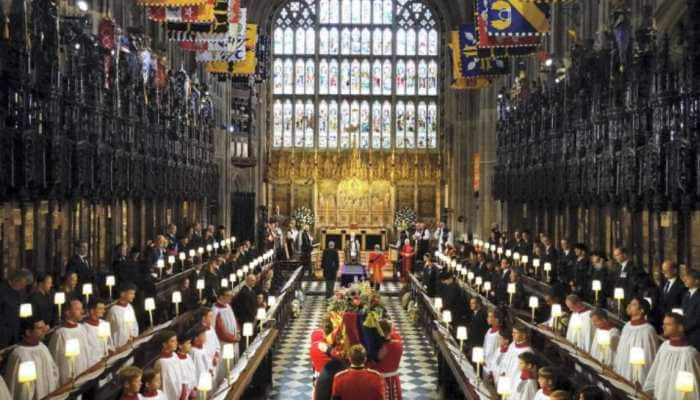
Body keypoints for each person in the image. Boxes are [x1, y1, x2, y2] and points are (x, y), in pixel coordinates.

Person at [643, 312, 700, 399]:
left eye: (668, 324)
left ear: (680, 328)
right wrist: (649, 391)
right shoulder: (664, 346)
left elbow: (695, 387)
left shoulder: (690, 353)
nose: (663, 327)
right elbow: (655, 370)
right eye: (663, 324)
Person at [4, 317, 59, 400]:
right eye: (40, 328)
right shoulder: (19, 354)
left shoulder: (43, 347)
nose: (44, 330)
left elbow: (53, 371)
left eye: (44, 327)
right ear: (28, 332)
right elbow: (16, 388)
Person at [613, 297, 659, 383]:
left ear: (642, 310)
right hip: (623, 369)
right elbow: (621, 350)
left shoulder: (648, 330)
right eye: (629, 304)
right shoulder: (627, 326)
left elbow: (649, 357)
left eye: (633, 304)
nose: (629, 306)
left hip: (637, 375)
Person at [48, 298, 92, 384]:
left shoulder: (82, 328)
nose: (82, 312)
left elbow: (87, 350)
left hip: (84, 372)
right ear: (68, 312)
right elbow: (57, 359)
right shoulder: (60, 334)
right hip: (69, 378)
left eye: (81, 308)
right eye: (78, 309)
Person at [370, 320, 403, 400]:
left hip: (379, 380)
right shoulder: (398, 344)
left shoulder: (379, 348)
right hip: (394, 379)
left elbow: (373, 363)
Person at [0, 269, 33, 347]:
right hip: (3, 333)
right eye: (23, 283)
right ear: (16, 279)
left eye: (25, 284)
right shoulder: (2, 289)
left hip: (16, 332)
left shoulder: (22, 292)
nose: (24, 286)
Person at [497, 324, 533, 396]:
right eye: (512, 332)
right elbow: (506, 360)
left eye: (515, 332)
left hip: (516, 382)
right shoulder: (512, 344)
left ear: (523, 335)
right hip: (506, 380)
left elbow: (525, 371)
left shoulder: (527, 351)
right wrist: (503, 372)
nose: (512, 334)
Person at [157, 330, 191, 400]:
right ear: (164, 344)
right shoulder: (161, 362)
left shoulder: (175, 355)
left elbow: (181, 376)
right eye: (172, 341)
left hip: (181, 395)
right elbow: (165, 385)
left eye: (176, 340)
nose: (176, 343)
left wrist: (183, 393)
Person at [107, 283, 140, 348]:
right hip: (119, 347)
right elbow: (110, 331)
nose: (133, 296)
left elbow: (134, 325)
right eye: (131, 294)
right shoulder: (113, 311)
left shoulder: (130, 307)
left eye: (134, 294)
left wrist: (133, 336)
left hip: (131, 344)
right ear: (122, 294)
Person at [83, 298, 114, 365]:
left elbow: (109, 343)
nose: (103, 311)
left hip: (106, 361)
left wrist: (110, 352)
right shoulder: (84, 328)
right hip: (93, 364)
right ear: (92, 311)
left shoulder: (105, 324)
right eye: (100, 308)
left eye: (103, 308)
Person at [213, 288, 241, 358]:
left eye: (231, 295)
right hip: (225, 343)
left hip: (234, 339)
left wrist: (238, 332)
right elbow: (220, 331)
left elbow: (234, 320)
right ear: (221, 297)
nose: (231, 297)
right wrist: (234, 339)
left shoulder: (228, 306)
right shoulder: (216, 311)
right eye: (228, 295)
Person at [483, 309, 505, 377]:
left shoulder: (499, 334)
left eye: (490, 317)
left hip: (492, 367)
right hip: (485, 363)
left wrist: (492, 369)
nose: (487, 318)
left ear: (496, 319)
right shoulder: (489, 330)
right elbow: (485, 345)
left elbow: (498, 351)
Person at [682, 268, 700, 350]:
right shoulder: (686, 294)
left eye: (688, 278)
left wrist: (683, 327)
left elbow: (698, 318)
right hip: (685, 334)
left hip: (696, 336)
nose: (684, 280)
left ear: (696, 281)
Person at [176, 333, 197, 398]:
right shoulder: (177, 361)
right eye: (188, 343)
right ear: (180, 346)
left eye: (190, 343)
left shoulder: (188, 356)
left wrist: (194, 387)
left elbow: (193, 372)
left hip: (191, 390)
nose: (190, 345)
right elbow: (182, 379)